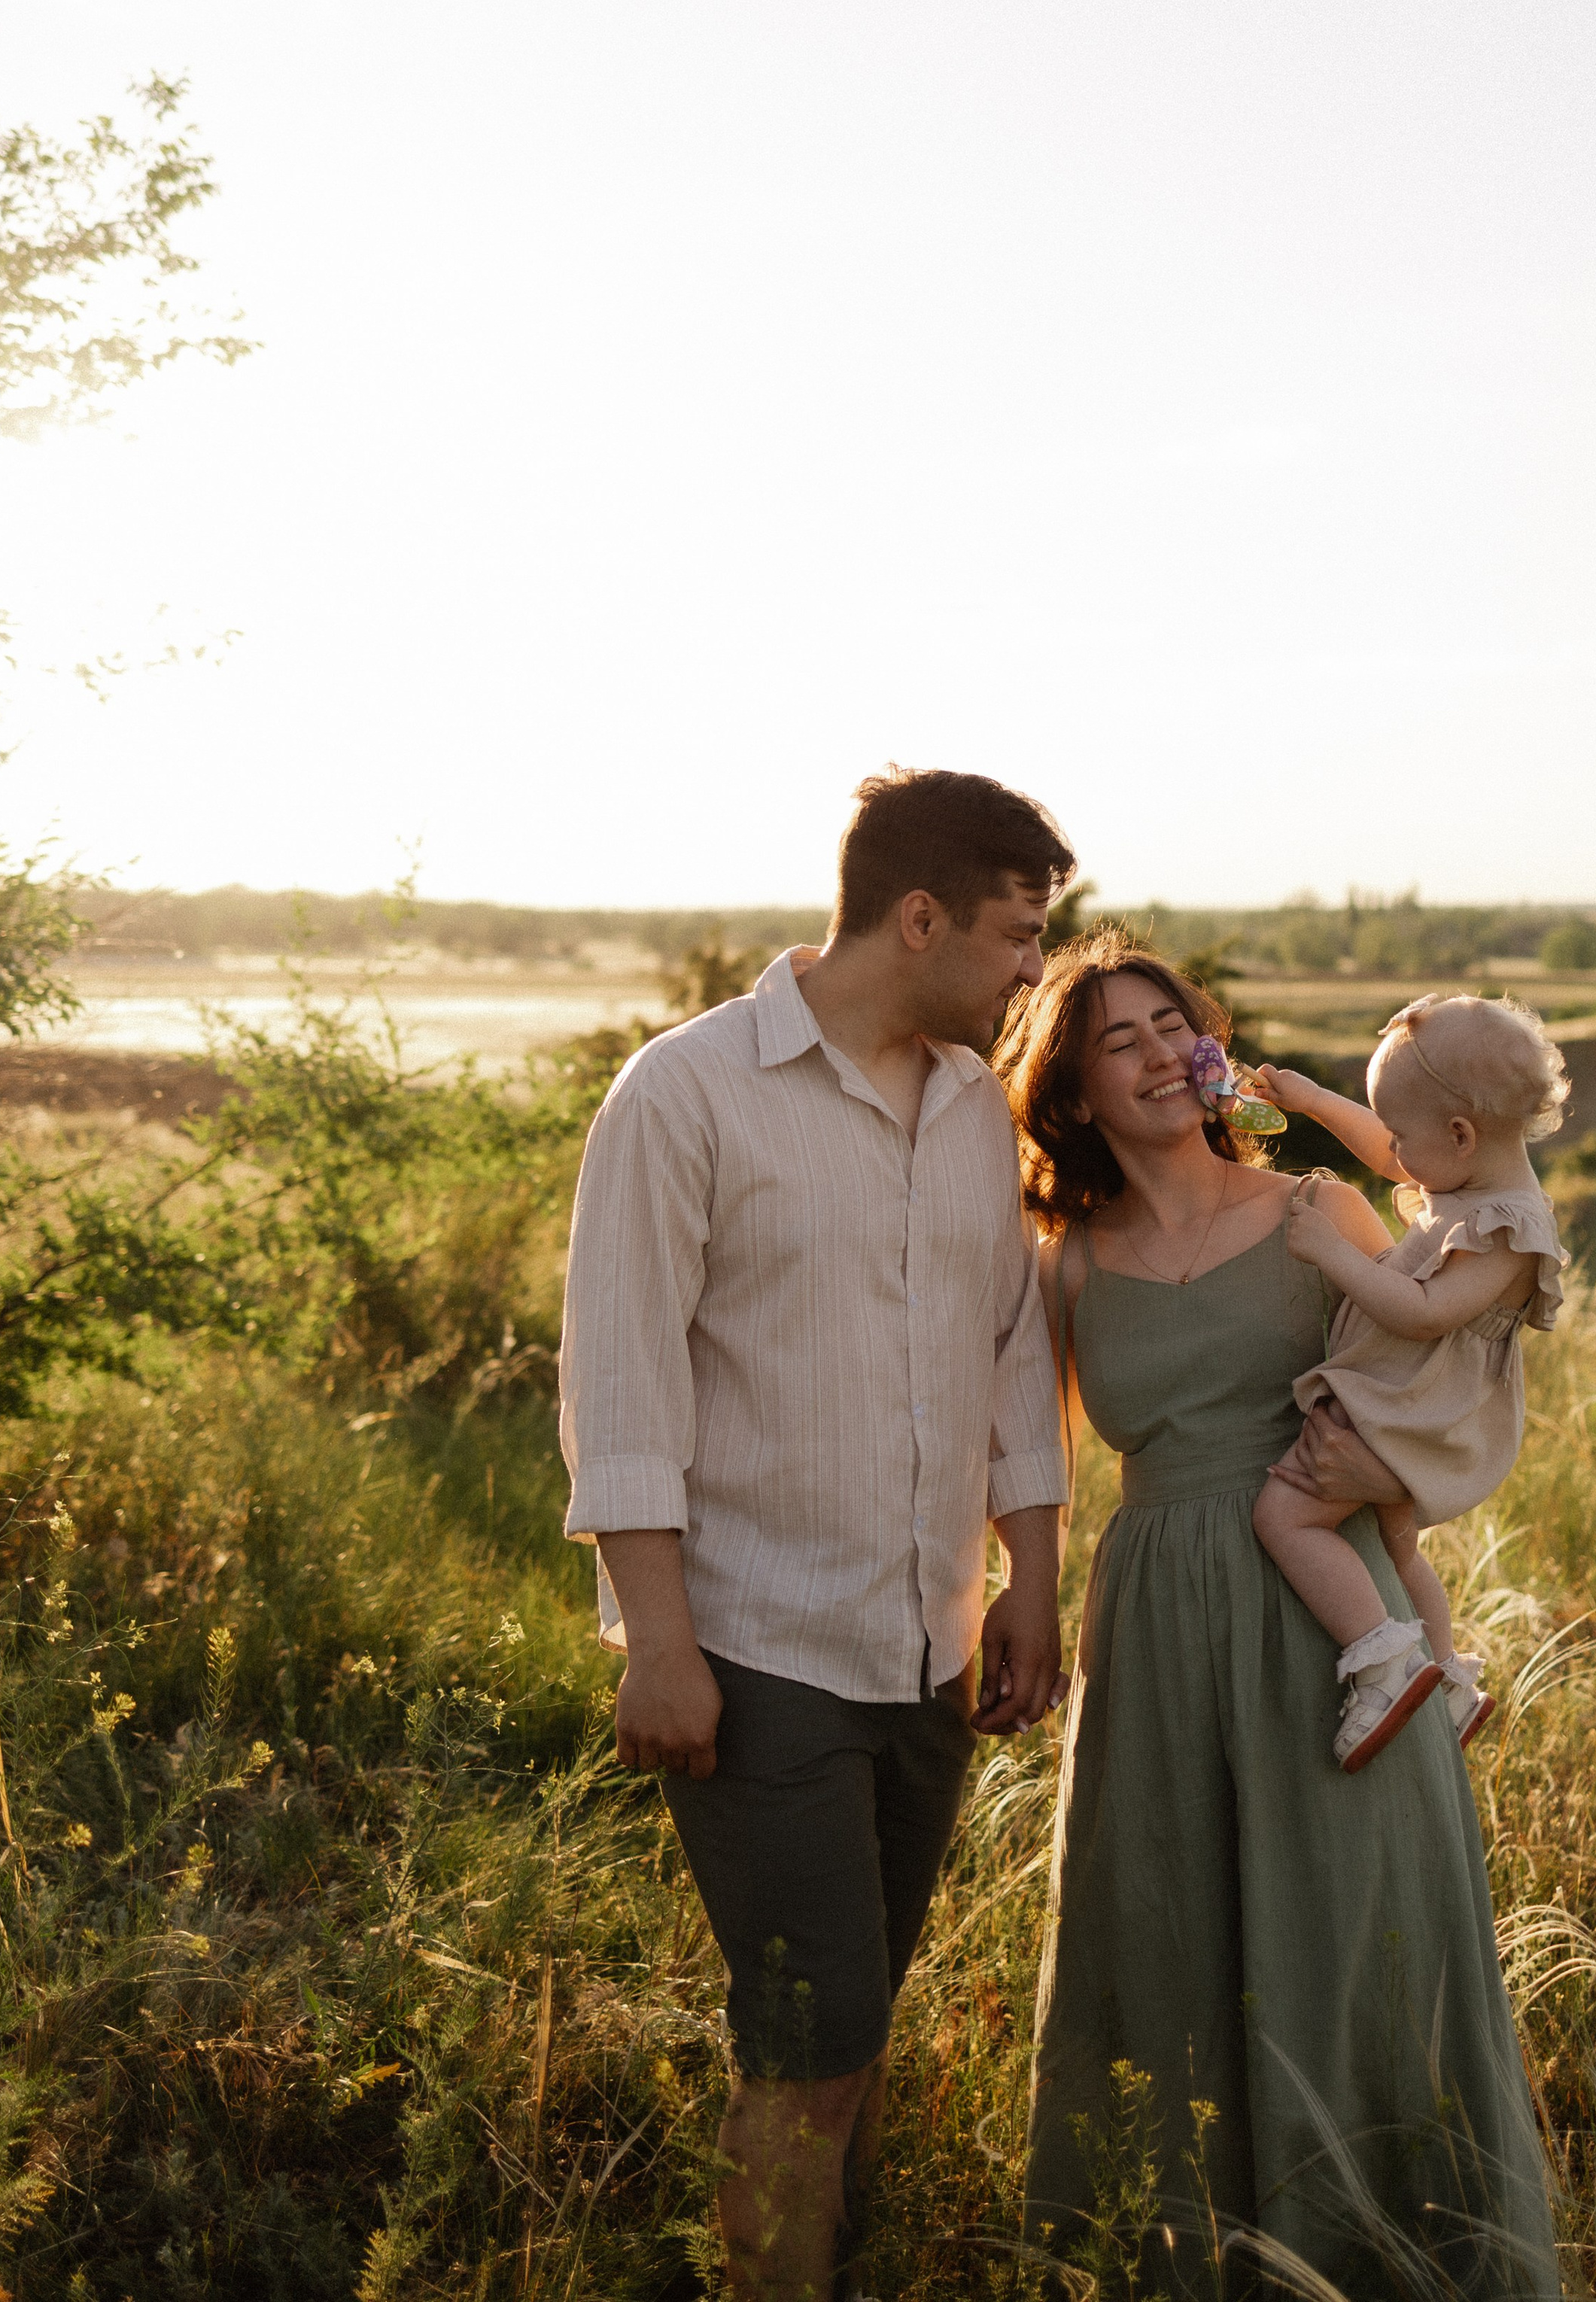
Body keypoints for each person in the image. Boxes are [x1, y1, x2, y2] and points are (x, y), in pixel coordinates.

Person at [558, 768, 1077, 2301]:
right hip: (752, 1646)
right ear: (916, 918)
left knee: (852, 2031)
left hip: (924, 1641)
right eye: (1013, 935)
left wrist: (1029, 1574)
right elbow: (622, 1378)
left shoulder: (976, 1107)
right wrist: (657, 1643)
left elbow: (1002, 1350)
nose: (1030, 972)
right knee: (811, 2043)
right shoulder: (686, 1090)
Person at [999, 932, 1559, 2300]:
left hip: (1332, 1633)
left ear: (1207, 1050)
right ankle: (1184, 2259)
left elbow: (1421, 1373)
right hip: (1157, 1630)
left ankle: (1392, 2256)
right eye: (1113, 1037)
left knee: (1362, 1928)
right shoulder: (1066, 1262)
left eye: (1166, 1024)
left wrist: (1414, 1591)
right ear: (1070, 1085)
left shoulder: (1316, 1207)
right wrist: (1028, 1593)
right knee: (1166, 1932)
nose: (1150, 1050)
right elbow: (1033, 1460)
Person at [1251, 997, 1571, 1771]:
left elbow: (1427, 1314)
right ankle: (1449, 1674)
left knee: (1285, 1516)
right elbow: (1398, 1155)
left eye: (1400, 1133)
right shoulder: (1466, 1174)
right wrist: (1313, 1101)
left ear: (1459, 1135)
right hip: (1403, 1399)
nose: (1391, 1153)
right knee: (1396, 1548)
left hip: (1417, 1408)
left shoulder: (1506, 1228)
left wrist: (1335, 1253)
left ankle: (1380, 1663)